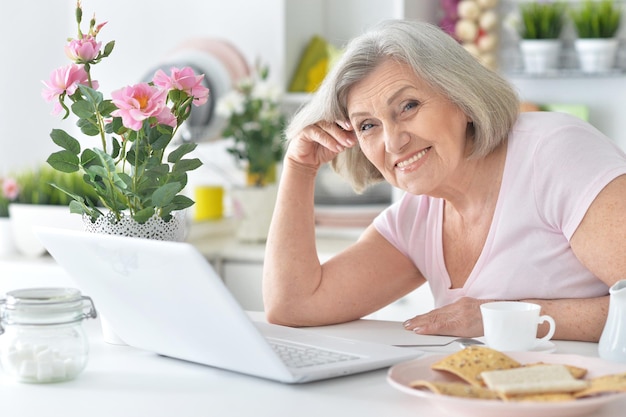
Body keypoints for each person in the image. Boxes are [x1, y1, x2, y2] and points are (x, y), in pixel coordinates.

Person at [262, 20, 626, 342]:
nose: (393, 141)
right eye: (368, 125)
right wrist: (299, 167)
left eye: (408, 106)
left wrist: (498, 317)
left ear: (462, 98)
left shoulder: (555, 153)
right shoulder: (416, 217)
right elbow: (293, 304)